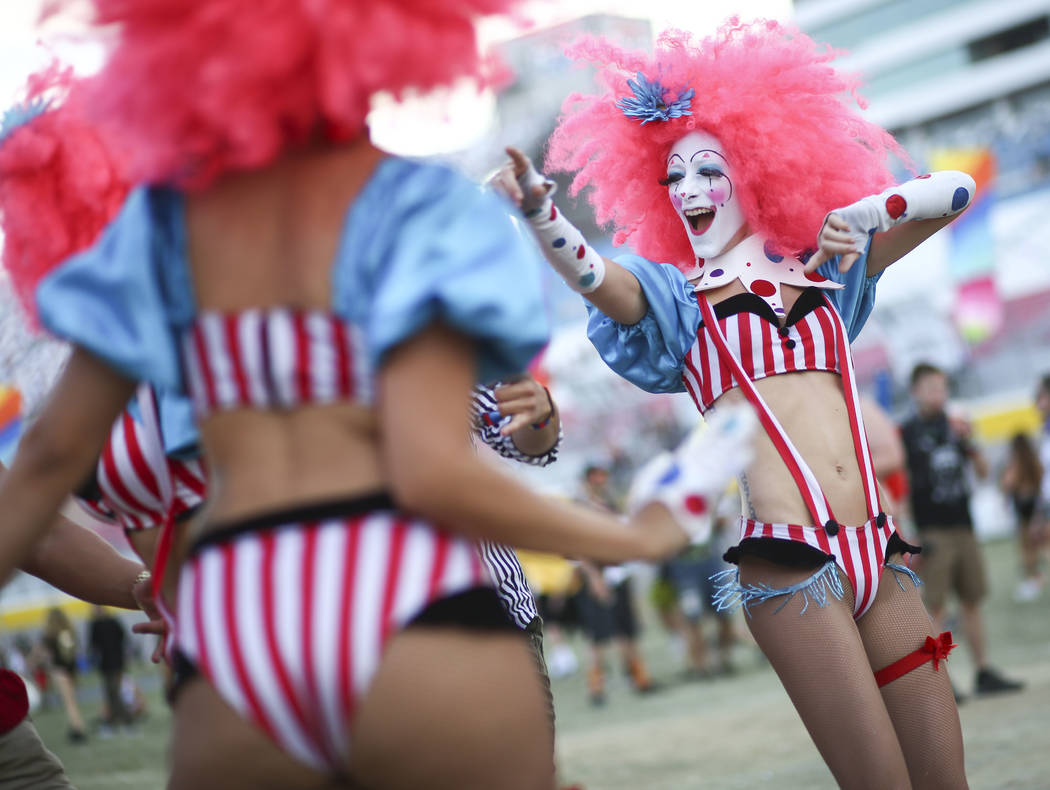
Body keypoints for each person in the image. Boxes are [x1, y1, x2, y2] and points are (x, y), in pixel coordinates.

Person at [0, 3, 743, 788]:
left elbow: (48, 461)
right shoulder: (422, 211)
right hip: (410, 617)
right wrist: (641, 534)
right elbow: (430, 473)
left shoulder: (161, 225)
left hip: (240, 647)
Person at [492, 19, 979, 788]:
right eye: (674, 178)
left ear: (755, 167)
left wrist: (868, 213)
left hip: (879, 551)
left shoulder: (827, 266)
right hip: (787, 565)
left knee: (945, 777)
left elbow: (956, 193)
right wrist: (542, 215)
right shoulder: (675, 297)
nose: (688, 190)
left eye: (707, 170)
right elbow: (598, 279)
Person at [901, 363, 1024, 695]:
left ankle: (983, 672)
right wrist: (911, 532)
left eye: (942, 387)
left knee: (972, 600)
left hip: (964, 525)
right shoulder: (908, 433)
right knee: (937, 607)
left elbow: (983, 474)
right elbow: (904, 487)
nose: (938, 394)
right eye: (930, 388)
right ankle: (939, 679)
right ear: (916, 392)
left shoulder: (956, 427)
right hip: (932, 531)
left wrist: (969, 442)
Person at [1000, 432, 1044, 601]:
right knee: (1038, 546)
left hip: (1024, 508)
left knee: (1027, 547)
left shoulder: (1016, 463)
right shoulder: (1034, 461)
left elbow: (1008, 483)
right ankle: (1035, 579)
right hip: (1035, 505)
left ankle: (1033, 579)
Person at [40, 609, 87, 744]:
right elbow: (74, 652)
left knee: (69, 703)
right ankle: (76, 726)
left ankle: (77, 729)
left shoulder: (49, 635)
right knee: (73, 701)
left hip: (59, 671)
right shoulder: (69, 632)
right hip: (72, 670)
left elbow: (45, 655)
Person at [87, 605, 133, 733]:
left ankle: (123, 718)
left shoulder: (101, 623)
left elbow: (93, 645)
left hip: (112, 662)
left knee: (113, 692)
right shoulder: (104, 623)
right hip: (110, 663)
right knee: (111, 692)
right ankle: (117, 718)